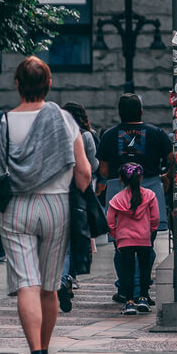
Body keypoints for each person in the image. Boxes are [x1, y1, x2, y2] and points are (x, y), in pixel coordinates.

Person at [0, 56, 92, 354]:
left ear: (17, 85)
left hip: (17, 209)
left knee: (26, 285)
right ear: (49, 84)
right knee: (49, 286)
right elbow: (85, 172)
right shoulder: (62, 119)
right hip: (56, 207)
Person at [98, 94, 172, 302]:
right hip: (150, 191)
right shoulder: (157, 133)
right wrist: (166, 177)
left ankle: (126, 288)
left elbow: (103, 170)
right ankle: (142, 289)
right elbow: (174, 158)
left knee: (122, 246)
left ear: (119, 113)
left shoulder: (109, 136)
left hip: (118, 191)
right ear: (141, 111)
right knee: (147, 242)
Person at [58, 102, 98, 313]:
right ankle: (64, 279)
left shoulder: (52, 135)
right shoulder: (85, 136)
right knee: (71, 240)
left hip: (51, 192)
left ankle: (55, 279)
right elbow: (90, 166)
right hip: (75, 194)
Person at [107, 162, 159, 315]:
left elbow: (110, 220)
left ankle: (129, 302)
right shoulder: (149, 196)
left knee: (127, 271)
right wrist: (150, 230)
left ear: (121, 179)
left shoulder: (117, 199)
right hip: (144, 238)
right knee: (144, 270)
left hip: (124, 240)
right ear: (141, 178)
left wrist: (115, 234)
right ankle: (143, 298)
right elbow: (155, 218)